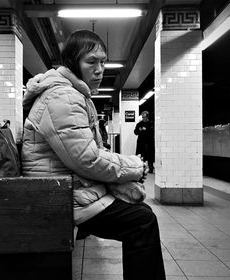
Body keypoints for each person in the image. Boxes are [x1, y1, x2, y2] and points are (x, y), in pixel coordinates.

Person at [22, 30, 165, 280]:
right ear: (72, 64)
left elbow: (88, 153)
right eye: (91, 62)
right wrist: (133, 167)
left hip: (66, 188)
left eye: (102, 62)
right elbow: (87, 159)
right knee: (142, 221)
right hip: (59, 197)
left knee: (142, 215)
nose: (100, 69)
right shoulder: (62, 97)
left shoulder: (72, 94)